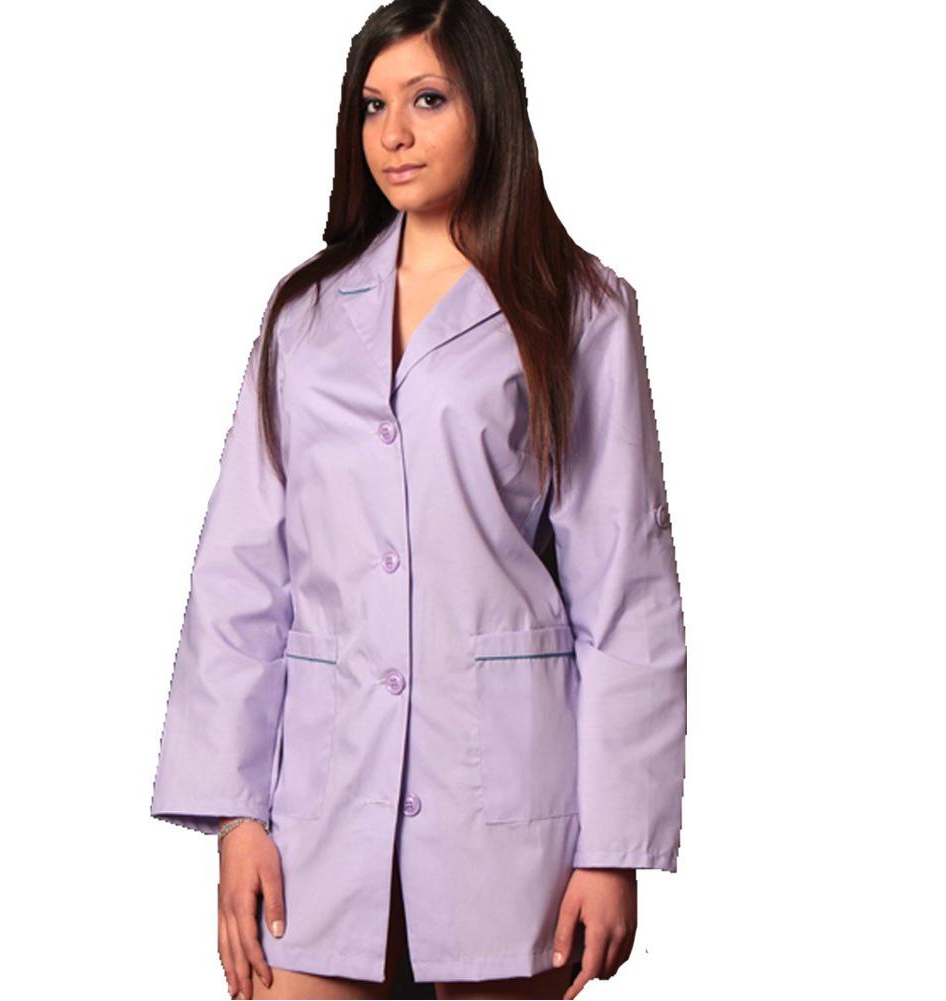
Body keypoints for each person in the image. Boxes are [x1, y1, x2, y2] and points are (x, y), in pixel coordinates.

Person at [150, 2, 687, 999]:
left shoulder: (577, 307)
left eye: (427, 100)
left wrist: (612, 847)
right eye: (372, 105)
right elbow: (240, 575)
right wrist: (236, 816)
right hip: (317, 798)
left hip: (508, 803)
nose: (392, 133)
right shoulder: (306, 313)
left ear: (490, 108)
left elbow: (624, 589)